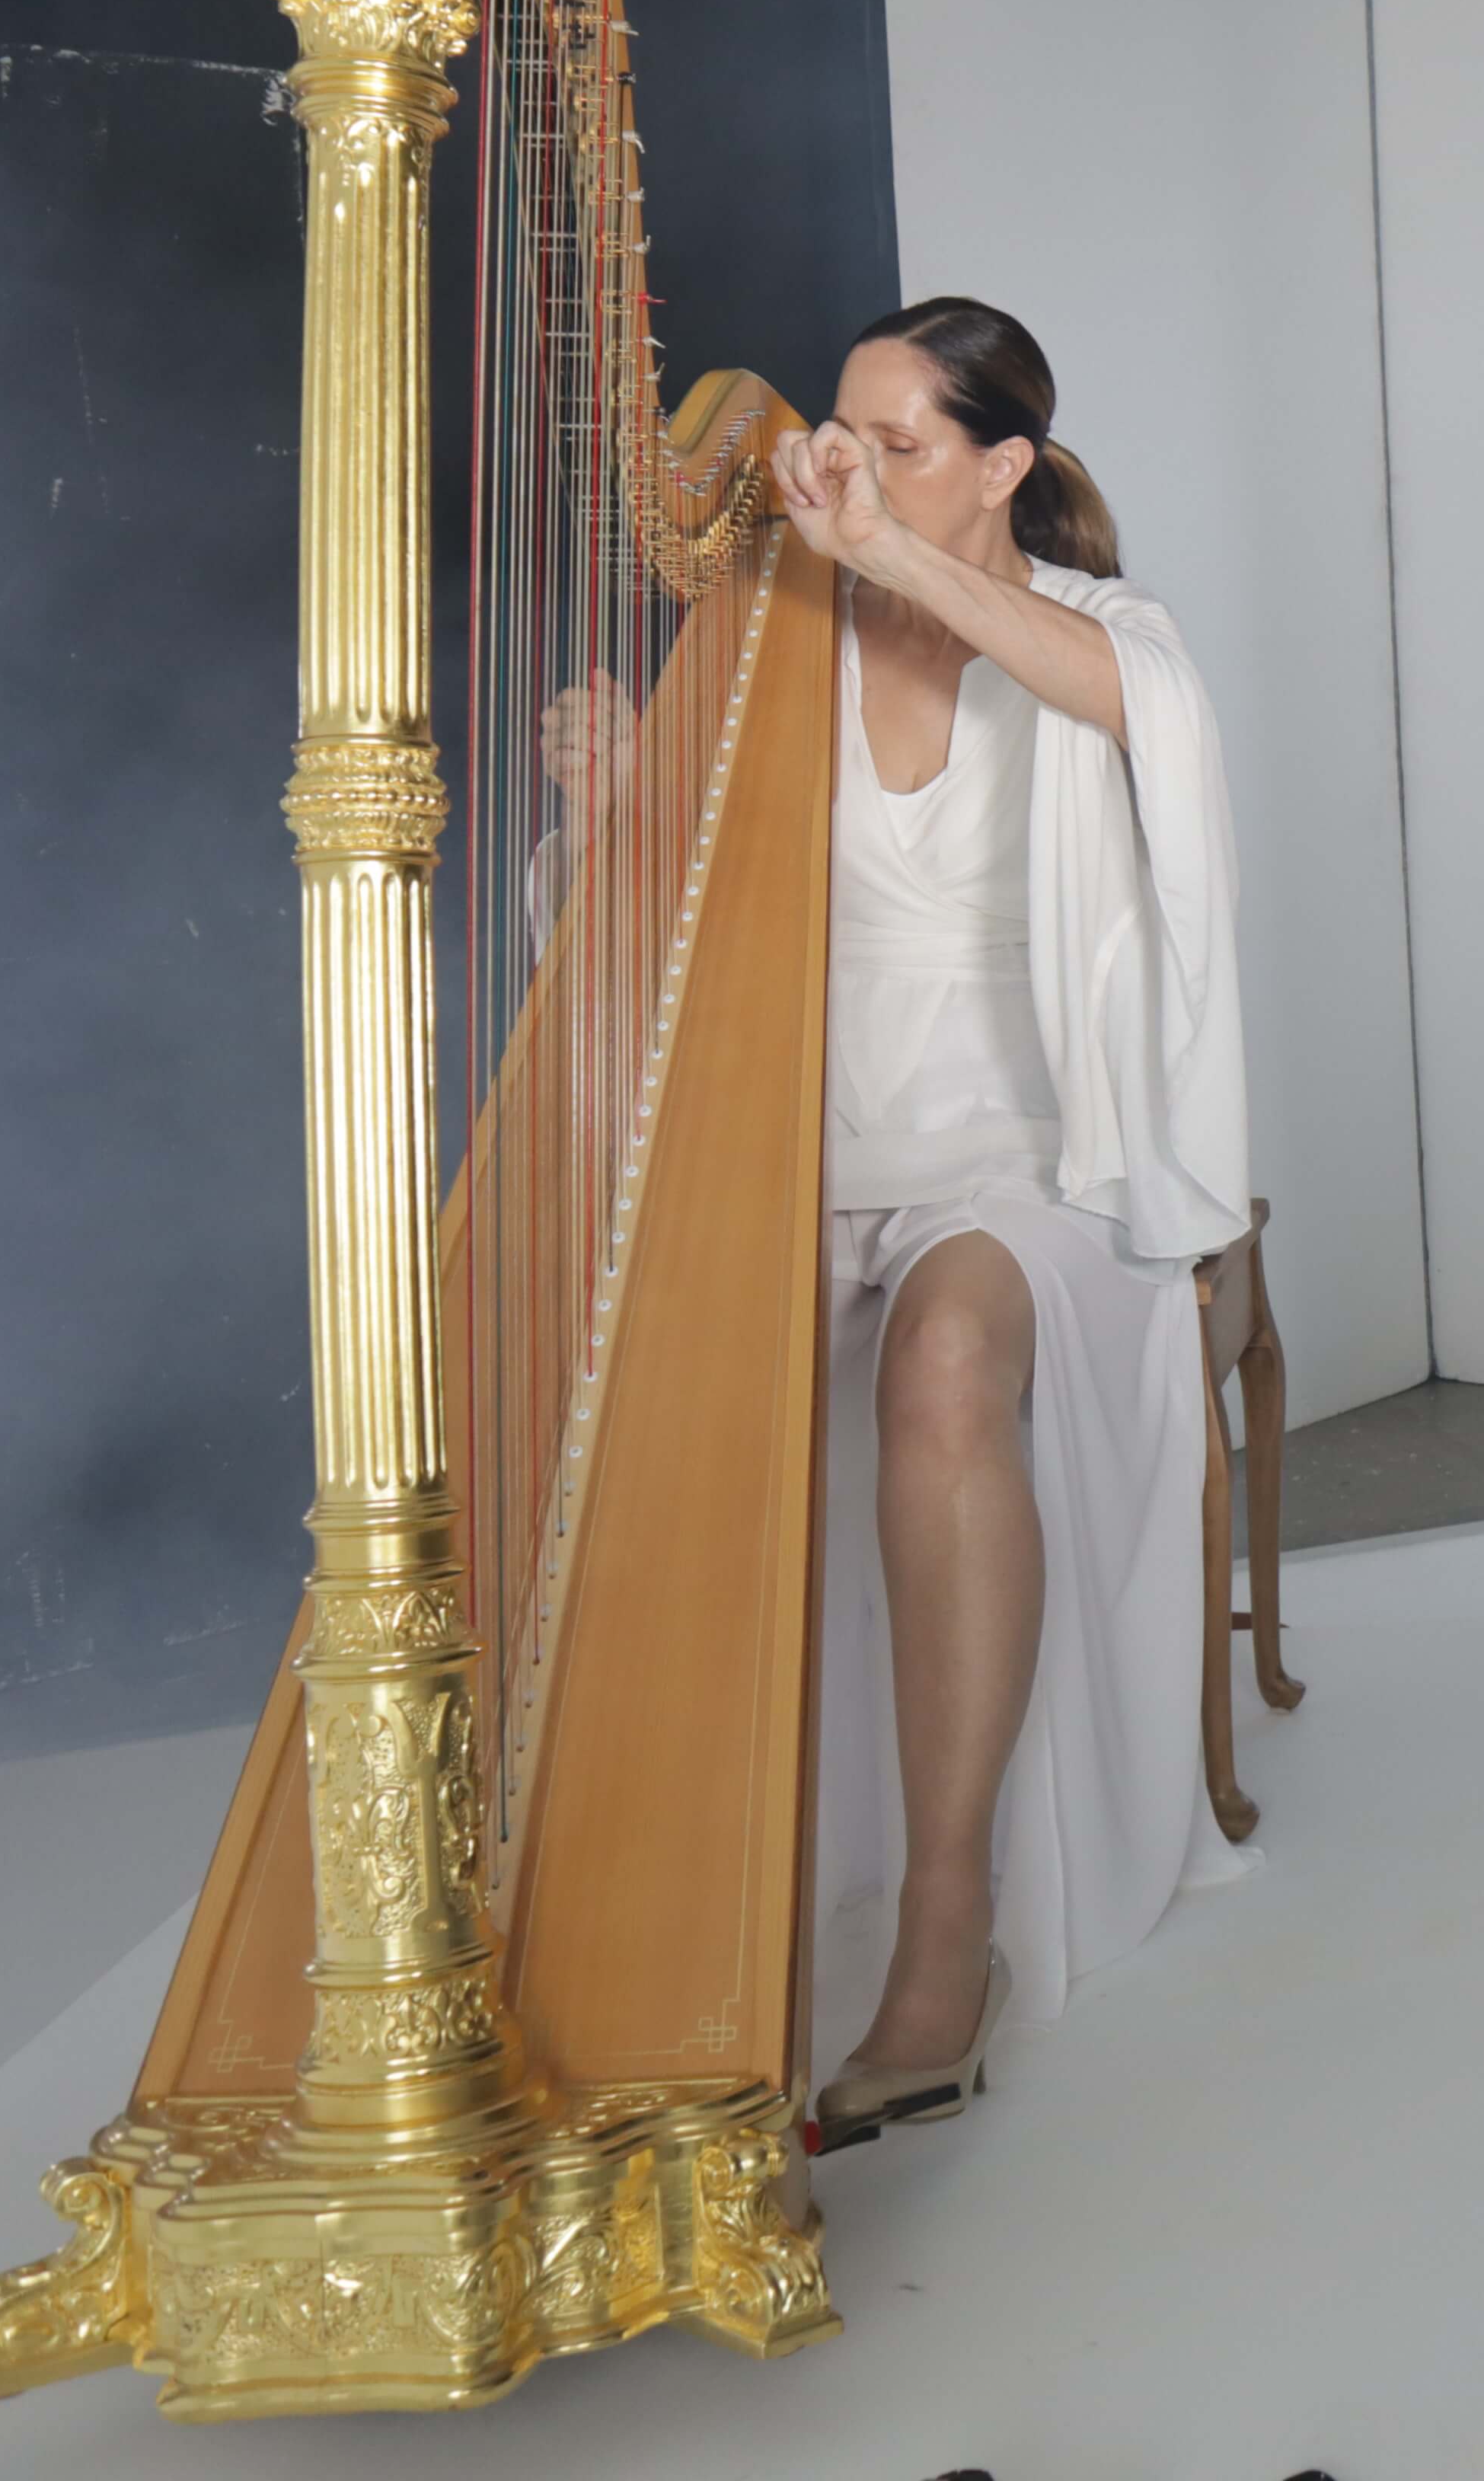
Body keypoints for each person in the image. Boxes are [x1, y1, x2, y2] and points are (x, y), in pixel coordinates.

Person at [549, 294, 1254, 2142]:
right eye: (836, 440)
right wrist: (619, 803)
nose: (846, 472)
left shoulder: (1102, 637)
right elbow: (673, 934)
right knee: (653, 1372)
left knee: (946, 1351)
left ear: (1006, 461)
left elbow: (1142, 726)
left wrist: (887, 563)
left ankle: (950, 1923)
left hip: (1040, 1169)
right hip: (806, 1153)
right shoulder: (774, 643)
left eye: (899, 442)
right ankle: (674, 1890)